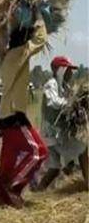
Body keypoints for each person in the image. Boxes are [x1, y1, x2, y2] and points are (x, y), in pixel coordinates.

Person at [0, 0, 50, 208]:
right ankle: (14, 188)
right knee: (39, 152)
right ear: (23, 40)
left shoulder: (8, 56)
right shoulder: (20, 53)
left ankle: (1, 195)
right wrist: (38, 16)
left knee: (8, 159)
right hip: (15, 117)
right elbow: (40, 40)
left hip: (5, 116)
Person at [36, 56, 88, 190]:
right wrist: (71, 103)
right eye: (68, 70)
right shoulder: (51, 84)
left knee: (54, 169)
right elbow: (53, 102)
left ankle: (38, 191)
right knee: (82, 149)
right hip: (52, 134)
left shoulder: (65, 87)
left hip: (55, 135)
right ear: (60, 70)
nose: (71, 73)